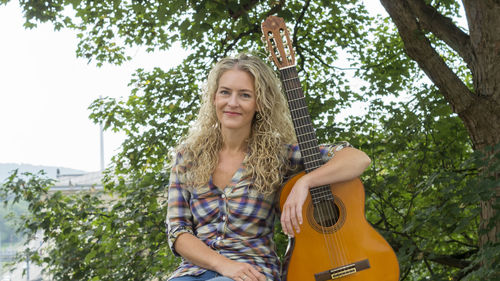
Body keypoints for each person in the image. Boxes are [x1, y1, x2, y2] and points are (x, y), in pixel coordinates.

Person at [166, 53, 371, 281]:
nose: (232, 103)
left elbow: (357, 158)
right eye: (225, 92)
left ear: (260, 103)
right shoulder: (188, 156)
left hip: (253, 271)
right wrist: (223, 265)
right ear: (214, 98)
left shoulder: (278, 154)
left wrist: (305, 182)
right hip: (193, 272)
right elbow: (178, 231)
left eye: (245, 95)